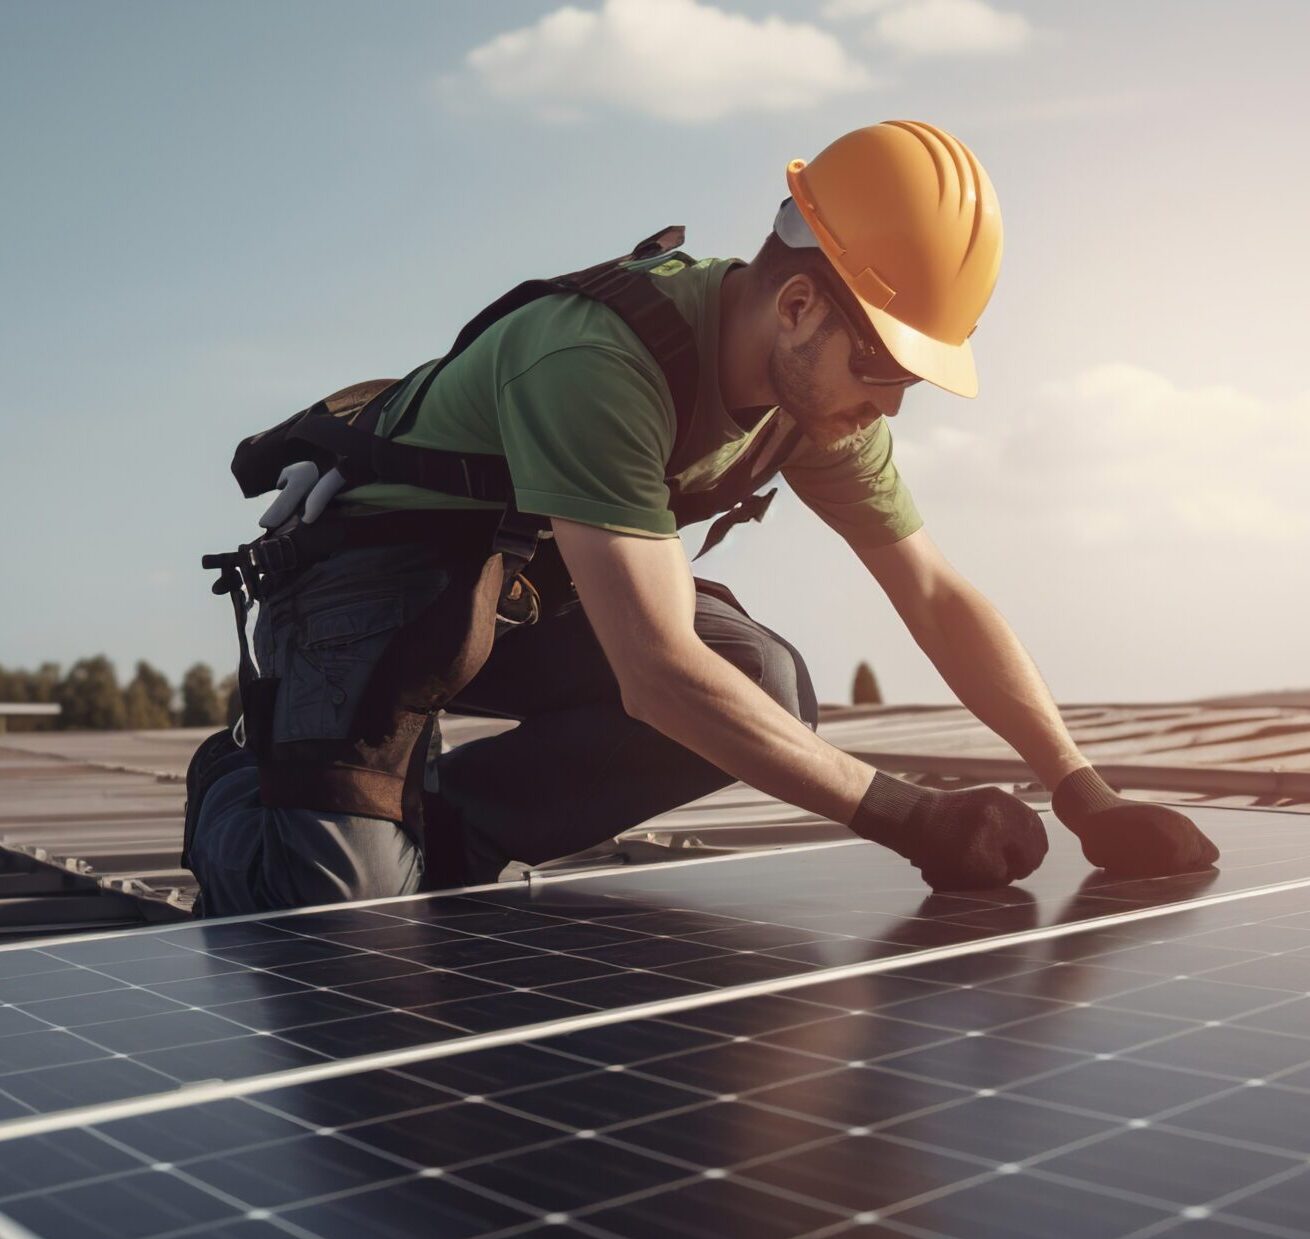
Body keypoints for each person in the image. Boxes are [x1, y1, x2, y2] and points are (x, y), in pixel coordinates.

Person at [185, 120, 1219, 916]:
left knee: (763, 684)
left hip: (527, 584)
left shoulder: (814, 399)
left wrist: (1083, 791)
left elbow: (935, 595)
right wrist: (912, 818)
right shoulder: (596, 363)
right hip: (372, 583)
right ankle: (240, 786)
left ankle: (442, 834)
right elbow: (657, 672)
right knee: (330, 922)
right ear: (800, 307)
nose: (892, 402)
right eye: (884, 365)